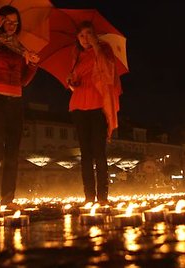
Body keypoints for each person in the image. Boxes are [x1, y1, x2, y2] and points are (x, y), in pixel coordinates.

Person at [0, 5, 40, 209]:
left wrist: (32, 64)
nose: (12, 26)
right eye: (8, 21)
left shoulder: (21, 49)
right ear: (1, 21)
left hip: (15, 101)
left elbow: (23, 81)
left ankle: (8, 199)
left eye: (15, 22)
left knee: (13, 152)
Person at [67, 21, 122, 204]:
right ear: (77, 38)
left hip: (98, 104)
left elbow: (108, 71)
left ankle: (103, 197)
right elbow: (76, 79)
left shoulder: (104, 50)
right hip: (78, 105)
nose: (85, 39)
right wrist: (72, 81)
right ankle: (89, 197)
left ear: (95, 35)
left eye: (88, 34)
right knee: (85, 154)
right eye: (81, 35)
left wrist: (96, 45)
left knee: (99, 152)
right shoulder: (76, 55)